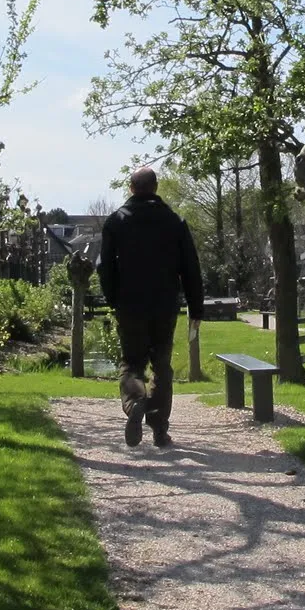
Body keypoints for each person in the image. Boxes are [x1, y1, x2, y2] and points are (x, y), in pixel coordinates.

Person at [99, 167, 204, 448]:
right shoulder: (174, 222)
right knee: (162, 367)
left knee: (132, 363)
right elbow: (190, 268)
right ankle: (159, 429)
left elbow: (104, 268)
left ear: (131, 189)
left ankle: (135, 402)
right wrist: (196, 308)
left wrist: (113, 299)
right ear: (156, 188)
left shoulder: (116, 222)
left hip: (130, 304)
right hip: (164, 304)